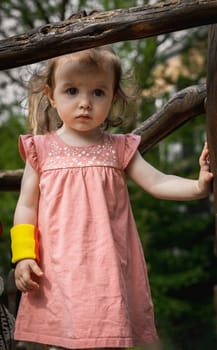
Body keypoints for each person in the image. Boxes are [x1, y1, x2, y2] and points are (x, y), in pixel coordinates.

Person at [10, 45, 213, 350]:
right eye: (72, 90)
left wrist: (198, 187)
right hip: (58, 268)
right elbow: (26, 206)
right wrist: (23, 255)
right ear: (52, 95)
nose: (84, 103)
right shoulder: (41, 149)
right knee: (62, 339)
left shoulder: (119, 148)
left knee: (105, 338)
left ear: (114, 98)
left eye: (98, 93)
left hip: (106, 269)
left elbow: (157, 181)